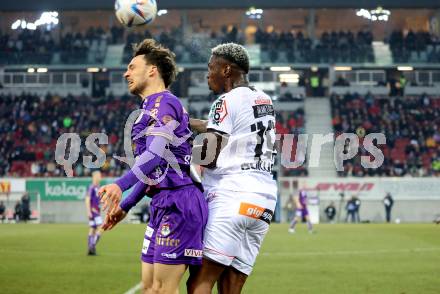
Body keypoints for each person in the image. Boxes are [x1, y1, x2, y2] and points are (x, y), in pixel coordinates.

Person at [98, 38, 207, 294]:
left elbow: (156, 155)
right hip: (162, 202)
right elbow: (153, 172)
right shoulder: (149, 107)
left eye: (132, 66)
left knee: (162, 288)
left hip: (180, 202)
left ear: (152, 70)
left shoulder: (164, 102)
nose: (126, 73)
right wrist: (126, 206)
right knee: (149, 287)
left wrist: (120, 185)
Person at [188, 43, 277, 294]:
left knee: (199, 283)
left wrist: (181, 151)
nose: (208, 74)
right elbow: (230, 126)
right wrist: (186, 121)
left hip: (231, 196)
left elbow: (209, 157)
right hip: (263, 202)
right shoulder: (263, 99)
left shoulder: (224, 101)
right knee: (230, 288)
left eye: (211, 67)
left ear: (226, 70)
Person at [85, 170, 103, 255]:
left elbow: (98, 200)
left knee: (93, 228)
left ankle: (90, 249)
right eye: (99, 176)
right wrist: (89, 211)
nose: (100, 177)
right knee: (101, 227)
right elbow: (87, 199)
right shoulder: (91, 187)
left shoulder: (98, 187)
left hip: (96, 211)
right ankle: (92, 246)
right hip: (94, 211)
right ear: (95, 177)